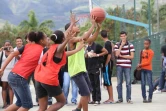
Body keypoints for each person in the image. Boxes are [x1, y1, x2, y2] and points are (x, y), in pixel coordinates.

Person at [0, 31, 48, 111]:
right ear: (41, 41)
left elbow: (12, 54)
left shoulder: (27, 46)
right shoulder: (43, 50)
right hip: (19, 77)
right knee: (27, 104)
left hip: (12, 75)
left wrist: (2, 69)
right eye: (46, 38)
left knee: (19, 103)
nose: (48, 40)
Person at [65, 15, 100, 111]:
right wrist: (92, 25)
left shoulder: (79, 39)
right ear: (71, 29)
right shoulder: (70, 40)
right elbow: (85, 37)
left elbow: (91, 39)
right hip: (76, 71)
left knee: (88, 92)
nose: (78, 26)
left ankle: (78, 109)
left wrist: (97, 29)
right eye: (75, 25)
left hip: (82, 69)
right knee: (85, 93)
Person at [114, 31, 135, 104]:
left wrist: (122, 56)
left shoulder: (130, 45)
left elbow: (132, 56)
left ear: (126, 36)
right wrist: (121, 46)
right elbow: (116, 54)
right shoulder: (117, 45)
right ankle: (120, 98)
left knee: (128, 82)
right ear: (120, 37)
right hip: (119, 65)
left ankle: (128, 98)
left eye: (124, 36)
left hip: (127, 66)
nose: (123, 37)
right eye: (121, 36)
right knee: (119, 82)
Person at [86, 40, 108, 105]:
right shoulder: (86, 46)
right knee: (91, 84)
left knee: (97, 83)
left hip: (96, 66)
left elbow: (106, 51)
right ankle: (94, 99)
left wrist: (97, 55)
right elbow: (85, 56)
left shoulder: (96, 45)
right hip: (89, 67)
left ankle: (98, 99)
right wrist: (87, 54)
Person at [137, 39, 154, 103]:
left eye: (147, 43)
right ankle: (144, 97)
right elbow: (141, 60)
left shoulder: (151, 52)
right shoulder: (142, 51)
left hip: (148, 69)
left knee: (150, 83)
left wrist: (141, 64)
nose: (145, 45)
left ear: (149, 44)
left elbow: (148, 62)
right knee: (143, 84)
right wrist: (139, 65)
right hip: (142, 69)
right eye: (144, 43)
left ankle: (150, 97)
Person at [100, 30, 114, 104]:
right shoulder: (109, 43)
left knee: (108, 81)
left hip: (107, 64)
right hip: (107, 64)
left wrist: (106, 63)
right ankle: (110, 98)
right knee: (107, 81)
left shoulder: (107, 43)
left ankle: (111, 98)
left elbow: (109, 54)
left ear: (101, 36)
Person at [0, 40, 15, 109]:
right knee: (4, 87)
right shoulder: (2, 53)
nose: (7, 46)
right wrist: (0, 50)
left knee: (11, 88)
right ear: (4, 45)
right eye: (6, 45)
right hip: (4, 71)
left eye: (8, 45)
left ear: (11, 45)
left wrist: (12, 51)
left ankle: (11, 103)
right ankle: (4, 103)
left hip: (11, 71)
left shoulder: (14, 52)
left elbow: (18, 58)